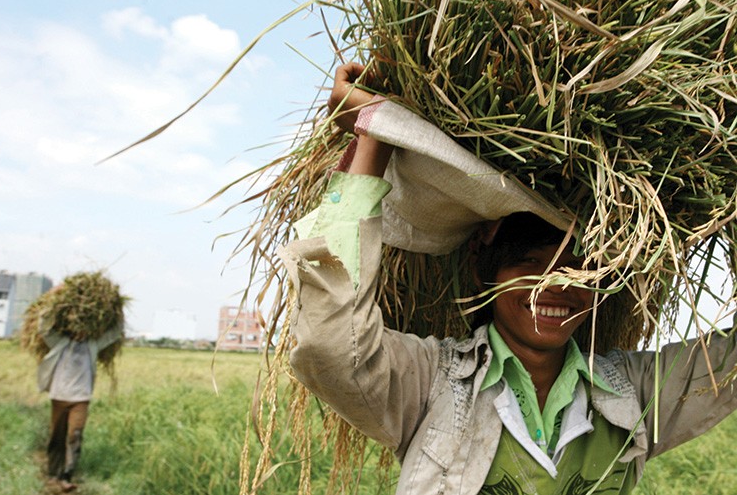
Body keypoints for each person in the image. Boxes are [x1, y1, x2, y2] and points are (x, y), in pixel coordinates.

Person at [277, 63, 737, 494]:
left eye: (577, 269)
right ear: (486, 270)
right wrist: (375, 133)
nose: (556, 286)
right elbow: (329, 343)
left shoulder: (634, 393)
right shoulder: (428, 383)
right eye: (531, 265)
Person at [37, 323, 121, 492]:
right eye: (76, 327)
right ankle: (53, 473)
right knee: (57, 436)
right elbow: (43, 329)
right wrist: (47, 313)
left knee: (75, 435)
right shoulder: (60, 342)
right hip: (59, 396)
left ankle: (66, 476)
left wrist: (118, 317)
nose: (80, 332)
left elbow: (113, 334)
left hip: (81, 398)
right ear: (71, 329)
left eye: (84, 328)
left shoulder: (92, 345)